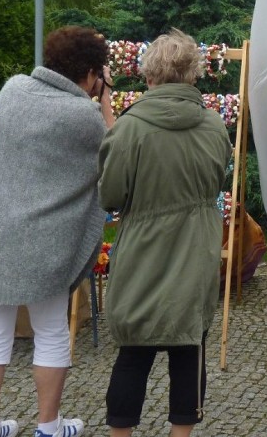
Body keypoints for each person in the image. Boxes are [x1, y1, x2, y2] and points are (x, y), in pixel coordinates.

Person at [0, 26, 116, 437]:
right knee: (50, 330)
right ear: (90, 72)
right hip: (44, 238)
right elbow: (116, 155)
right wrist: (104, 102)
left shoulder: (12, 90)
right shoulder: (83, 115)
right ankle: (48, 427)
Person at [98, 28, 232, 437]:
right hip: (196, 248)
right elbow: (216, 181)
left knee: (134, 352)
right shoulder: (214, 127)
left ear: (148, 75)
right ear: (193, 74)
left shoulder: (129, 129)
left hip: (142, 249)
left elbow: (111, 196)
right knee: (189, 348)